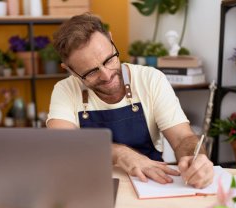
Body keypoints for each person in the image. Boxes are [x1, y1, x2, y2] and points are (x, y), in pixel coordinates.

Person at [46, 13, 214, 189]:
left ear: (111, 40)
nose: (107, 75)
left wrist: (195, 159)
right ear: (71, 70)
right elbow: (62, 144)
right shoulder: (65, 90)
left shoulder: (151, 79)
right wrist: (119, 153)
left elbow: (182, 138)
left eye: (109, 59)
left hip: (153, 185)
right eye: (91, 72)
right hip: (90, 187)